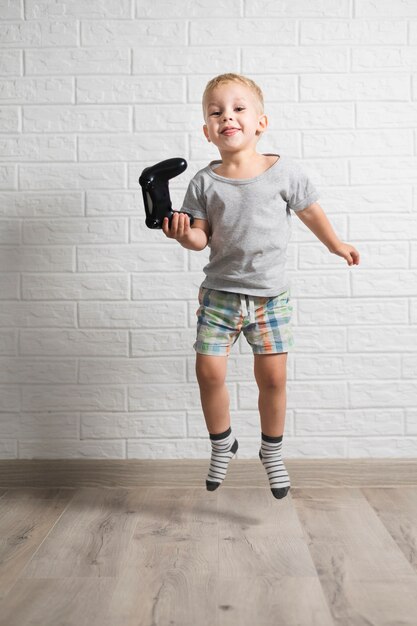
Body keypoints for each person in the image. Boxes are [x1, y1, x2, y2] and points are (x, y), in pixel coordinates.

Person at [162, 73, 360, 499]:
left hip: (270, 298)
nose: (227, 117)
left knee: (272, 378)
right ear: (206, 130)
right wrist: (182, 234)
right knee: (207, 370)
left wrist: (335, 244)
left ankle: (272, 452)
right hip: (220, 294)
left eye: (237, 109)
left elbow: (310, 212)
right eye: (216, 112)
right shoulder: (204, 181)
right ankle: (222, 444)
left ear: (260, 123)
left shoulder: (282, 171)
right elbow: (201, 237)